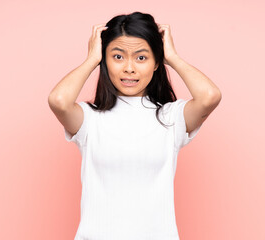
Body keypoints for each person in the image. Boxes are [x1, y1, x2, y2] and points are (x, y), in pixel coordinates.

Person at [48, 11, 221, 240]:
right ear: (104, 59)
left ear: (156, 62)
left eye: (141, 58)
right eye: (118, 57)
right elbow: (58, 101)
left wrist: (173, 57)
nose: (129, 68)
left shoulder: (170, 117)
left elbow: (209, 96)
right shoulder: (89, 119)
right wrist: (91, 60)